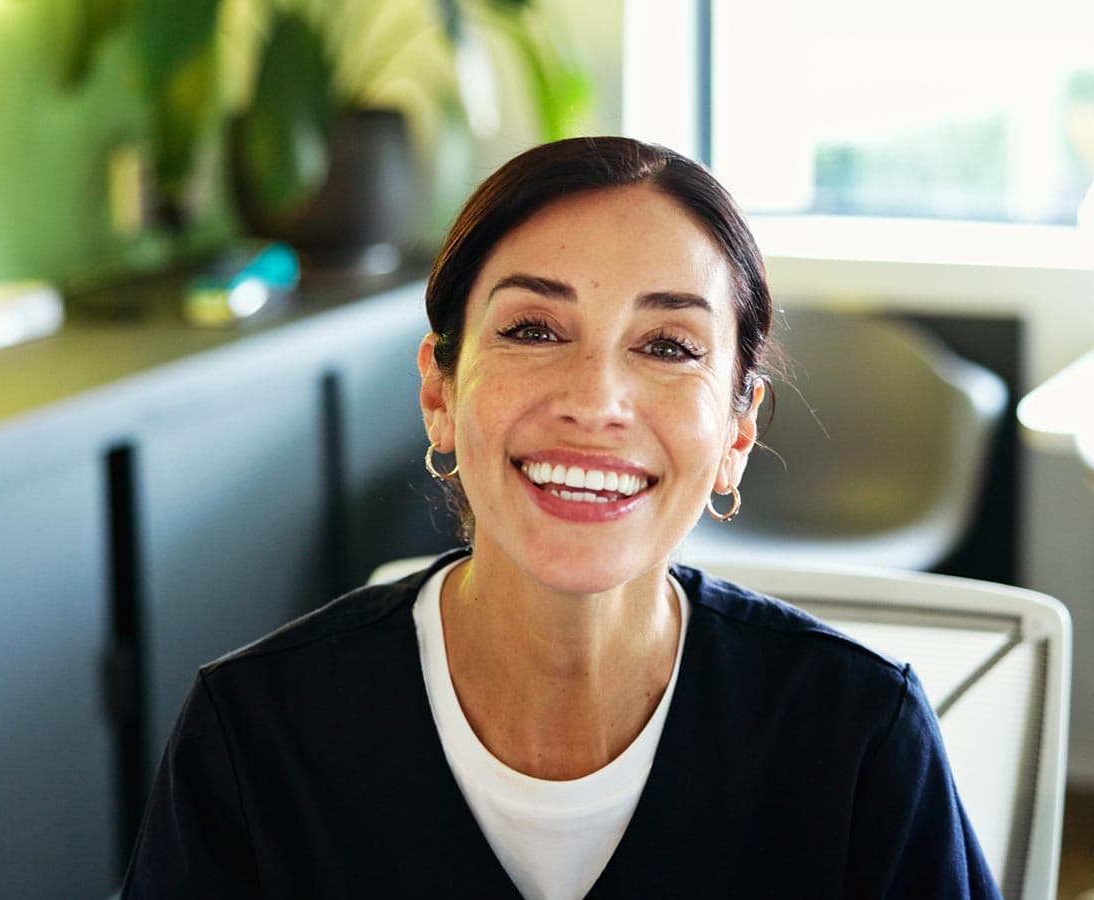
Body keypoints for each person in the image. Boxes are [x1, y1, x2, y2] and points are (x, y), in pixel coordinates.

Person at [122, 137, 998, 898]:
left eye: (668, 346)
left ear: (737, 431)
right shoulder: (254, 736)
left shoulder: (857, 737)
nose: (595, 401)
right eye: (534, 330)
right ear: (439, 388)